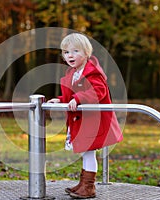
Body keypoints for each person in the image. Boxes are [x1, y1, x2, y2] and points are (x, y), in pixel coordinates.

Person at [47, 33, 123, 199]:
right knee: (85, 152)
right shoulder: (72, 73)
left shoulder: (92, 72)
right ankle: (83, 184)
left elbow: (98, 91)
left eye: (75, 51)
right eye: (66, 52)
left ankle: (88, 187)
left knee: (89, 152)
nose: (70, 55)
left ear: (86, 53)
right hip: (82, 121)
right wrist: (60, 100)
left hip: (93, 122)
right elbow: (72, 95)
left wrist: (78, 98)